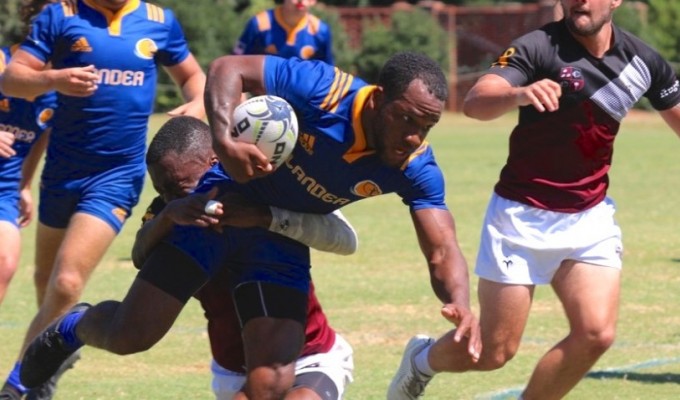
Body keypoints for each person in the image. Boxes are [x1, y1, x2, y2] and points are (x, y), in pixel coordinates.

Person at [19, 51, 481, 399]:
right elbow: (227, 68)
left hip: (276, 238)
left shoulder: (416, 166)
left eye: (427, 125)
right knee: (131, 335)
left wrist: (459, 303)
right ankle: (74, 326)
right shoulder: (326, 90)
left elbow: (442, 248)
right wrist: (224, 137)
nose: (413, 136)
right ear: (380, 100)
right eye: (405, 118)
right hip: (218, 207)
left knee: (272, 382)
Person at [387, 0, 680, 399]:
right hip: (521, 218)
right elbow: (476, 102)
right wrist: (519, 93)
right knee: (493, 352)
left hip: (588, 218)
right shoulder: (537, 47)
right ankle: (421, 361)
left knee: (596, 333)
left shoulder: (642, 60)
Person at [0, 0, 205, 398]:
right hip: (61, 173)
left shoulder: (159, 22)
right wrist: (54, 80)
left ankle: (19, 385)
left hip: (116, 176)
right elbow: (12, 78)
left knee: (66, 281)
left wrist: (197, 103)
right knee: (47, 281)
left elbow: (193, 76)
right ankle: (58, 344)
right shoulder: (60, 15)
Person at [136, 115, 355, 399]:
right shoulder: (168, 213)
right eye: (161, 190)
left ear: (213, 162)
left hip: (308, 356)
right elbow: (141, 255)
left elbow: (347, 239)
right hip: (233, 369)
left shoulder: (264, 189)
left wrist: (265, 218)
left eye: (179, 187)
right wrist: (166, 217)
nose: (170, 198)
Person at [233, 0, 334, 65]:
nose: (302, 1)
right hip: (261, 92)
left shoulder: (321, 31)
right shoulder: (259, 23)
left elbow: (327, 72)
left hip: (300, 95)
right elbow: (236, 60)